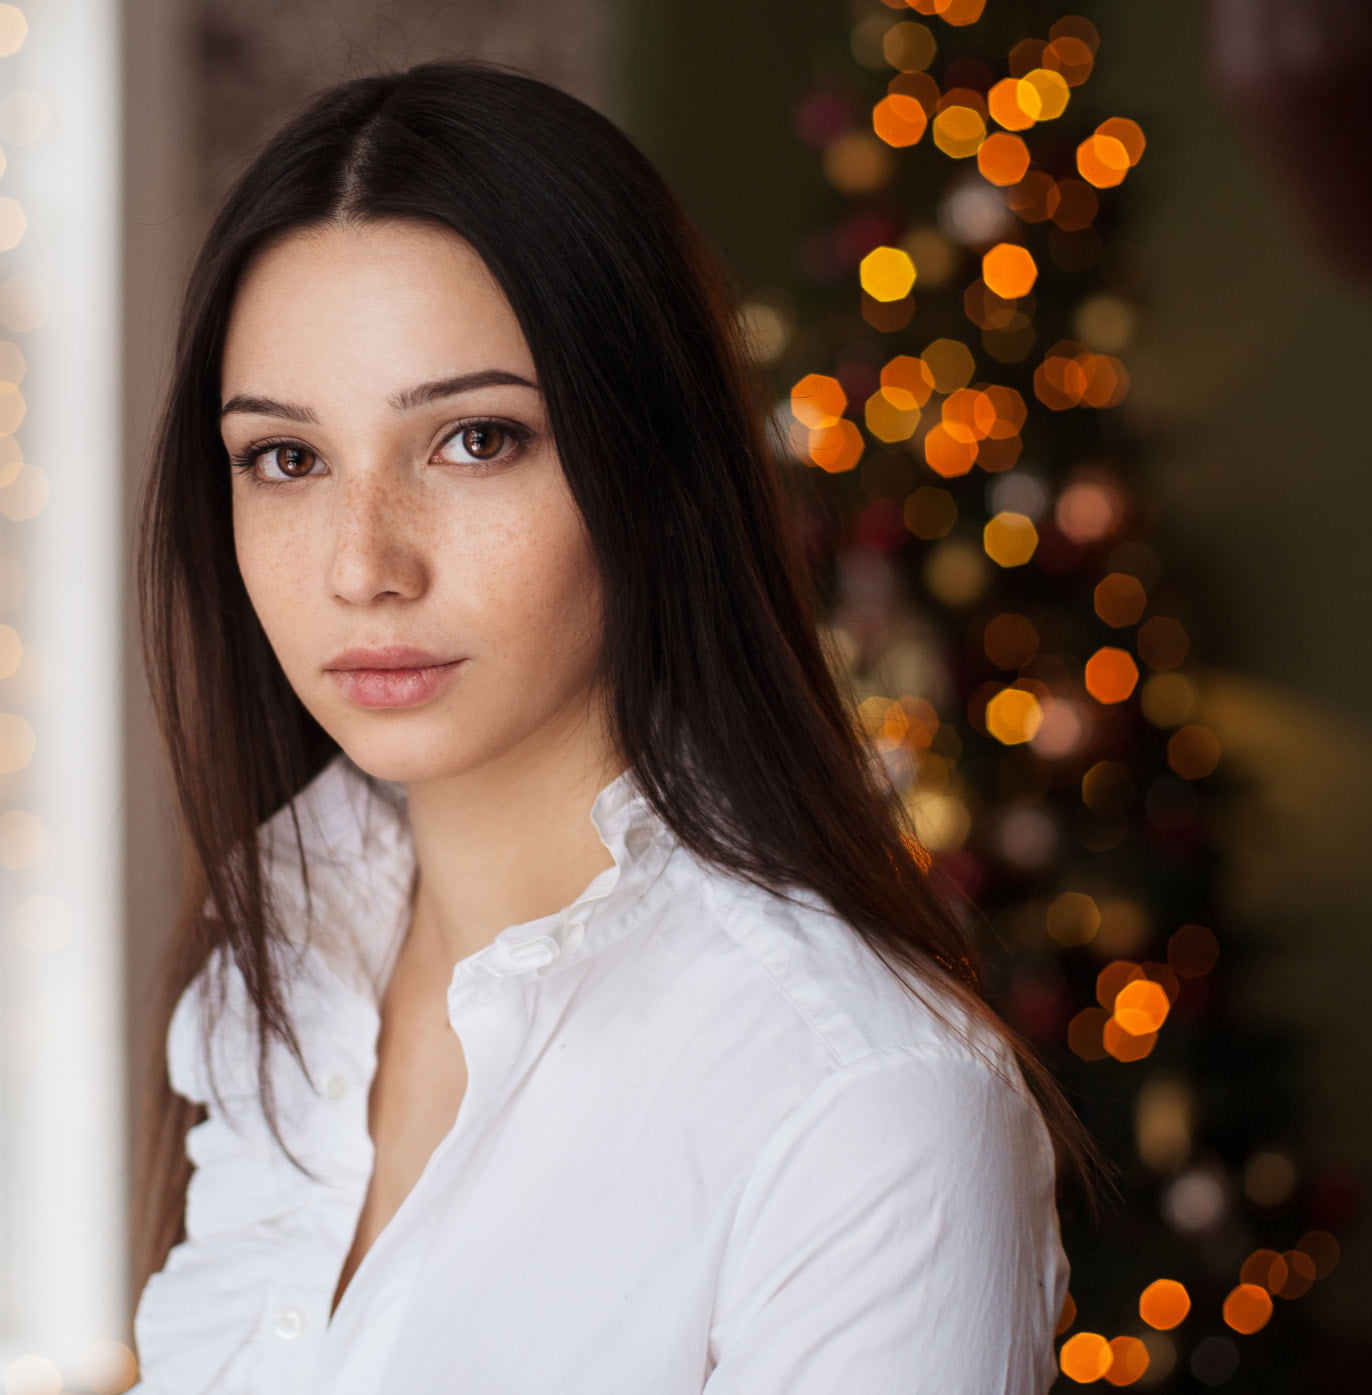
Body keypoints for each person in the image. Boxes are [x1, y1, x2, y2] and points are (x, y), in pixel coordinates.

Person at [126, 58, 1106, 1395]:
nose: (362, 567)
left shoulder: (865, 1109)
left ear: (654, 469)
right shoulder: (276, 961)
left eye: (475, 440)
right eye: (286, 459)